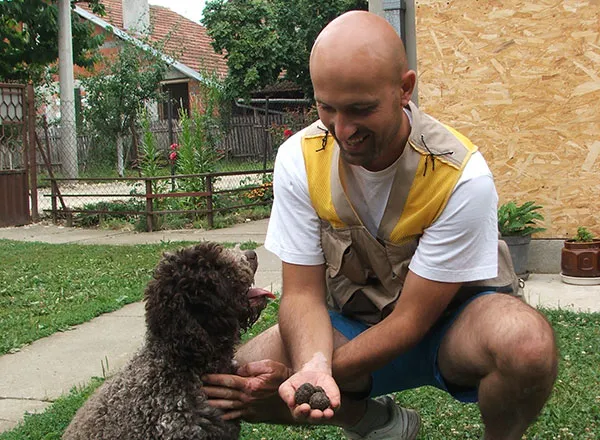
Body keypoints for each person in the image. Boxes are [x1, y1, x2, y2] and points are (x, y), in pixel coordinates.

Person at [202, 10, 558, 440]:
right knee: (233, 384)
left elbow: (411, 321)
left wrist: (305, 379)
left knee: (527, 346)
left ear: (404, 89)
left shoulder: (460, 175)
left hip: (452, 330)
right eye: (326, 107)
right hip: (351, 325)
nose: (342, 129)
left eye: (360, 109)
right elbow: (300, 295)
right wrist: (311, 365)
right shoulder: (299, 159)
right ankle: (375, 422)